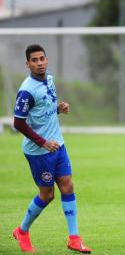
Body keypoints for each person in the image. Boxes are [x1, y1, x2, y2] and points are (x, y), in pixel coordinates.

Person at [12, 44, 91, 253]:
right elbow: (18, 123)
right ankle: (22, 231)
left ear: (47, 60)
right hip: (38, 151)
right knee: (47, 195)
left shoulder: (50, 79)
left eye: (42, 59)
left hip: (58, 145)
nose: (39, 63)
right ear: (27, 64)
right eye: (34, 60)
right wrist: (43, 142)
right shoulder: (26, 90)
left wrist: (58, 109)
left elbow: (43, 109)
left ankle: (74, 238)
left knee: (67, 186)